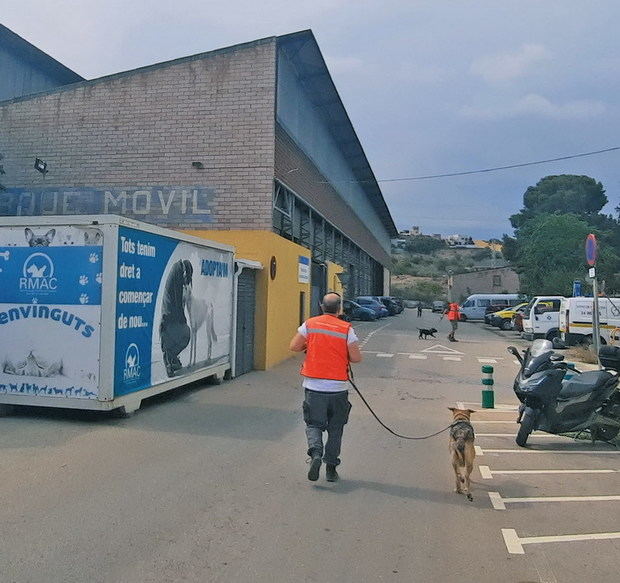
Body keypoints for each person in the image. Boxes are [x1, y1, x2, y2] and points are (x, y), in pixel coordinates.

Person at [289, 292, 362, 483]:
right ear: (339, 309)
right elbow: (356, 358)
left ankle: (315, 454)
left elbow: (294, 346)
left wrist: (310, 345)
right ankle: (331, 469)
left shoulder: (310, 324)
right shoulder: (347, 329)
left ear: (322, 307)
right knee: (335, 429)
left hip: (314, 387)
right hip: (338, 388)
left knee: (313, 424)